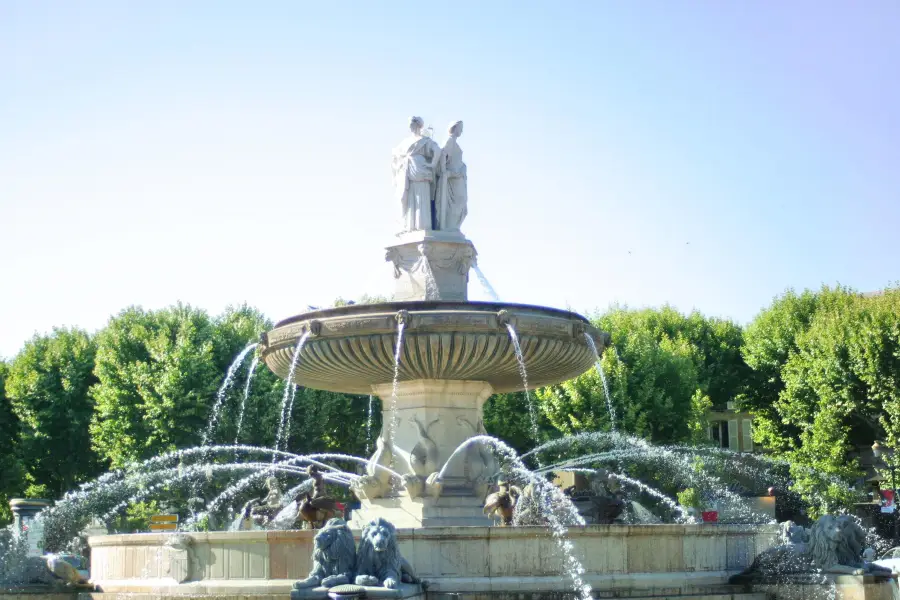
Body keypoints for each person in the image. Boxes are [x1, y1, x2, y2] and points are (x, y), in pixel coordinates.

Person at [392, 117, 442, 232]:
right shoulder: (405, 142)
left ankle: (422, 226)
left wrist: (433, 164)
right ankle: (409, 226)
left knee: (421, 197)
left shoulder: (425, 140)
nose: (411, 126)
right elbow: (395, 154)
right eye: (410, 124)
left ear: (419, 125)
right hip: (407, 172)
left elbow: (437, 150)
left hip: (421, 171)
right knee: (407, 197)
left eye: (413, 124)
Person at [435, 121, 468, 232]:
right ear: (454, 128)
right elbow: (443, 154)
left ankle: (453, 227)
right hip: (453, 179)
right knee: (456, 203)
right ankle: (450, 227)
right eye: (460, 128)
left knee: (461, 203)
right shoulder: (450, 141)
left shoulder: (454, 142)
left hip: (458, 178)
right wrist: (445, 172)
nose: (461, 131)